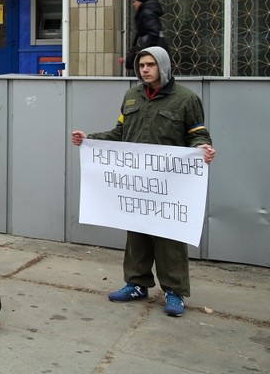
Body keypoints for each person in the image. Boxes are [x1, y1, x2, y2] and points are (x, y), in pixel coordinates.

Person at [71, 46, 215, 317]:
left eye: (150, 65)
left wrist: (204, 148)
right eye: (141, 65)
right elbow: (120, 132)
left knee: (170, 238)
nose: (145, 70)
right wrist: (89, 139)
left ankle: (174, 292)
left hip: (170, 184)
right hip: (137, 184)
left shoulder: (186, 99)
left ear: (163, 66)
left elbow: (198, 134)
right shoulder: (131, 96)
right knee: (136, 233)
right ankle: (136, 284)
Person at [125, 0, 169, 71]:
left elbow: (154, 32)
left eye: (135, 1)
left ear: (141, 1)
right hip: (156, 46)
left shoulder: (146, 13)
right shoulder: (145, 12)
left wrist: (145, 50)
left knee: (152, 71)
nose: (133, 4)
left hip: (155, 48)